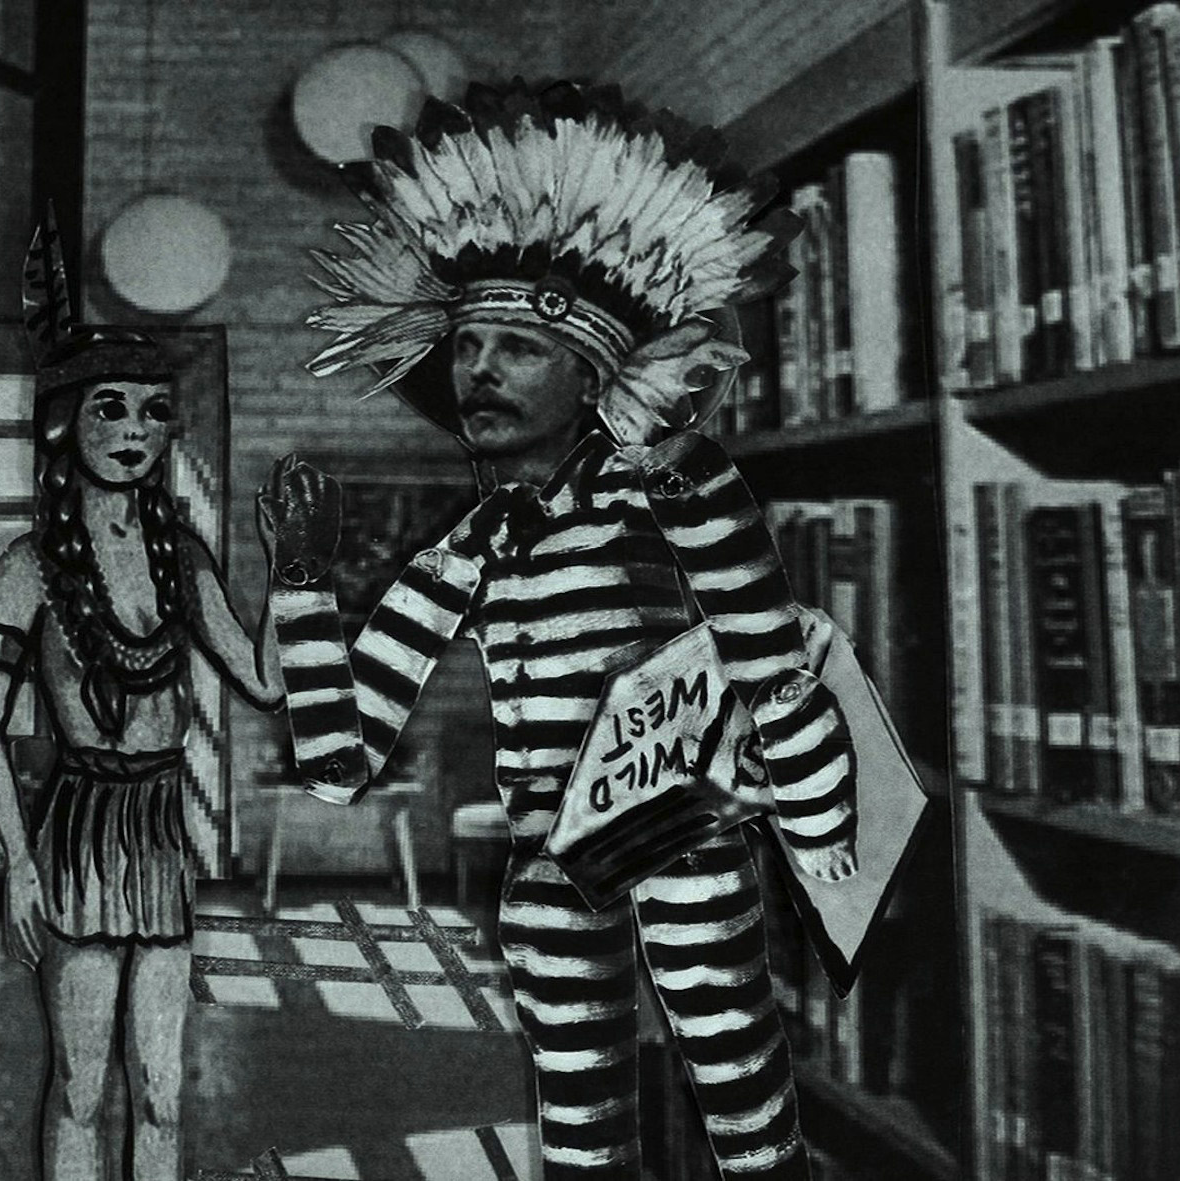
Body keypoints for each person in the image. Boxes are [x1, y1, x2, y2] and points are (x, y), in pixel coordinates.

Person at [263, 80, 861, 1179]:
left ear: (592, 376)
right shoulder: (467, 547)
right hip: (550, 866)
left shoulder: (677, 488)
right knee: (582, 1140)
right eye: (466, 345)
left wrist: (823, 836)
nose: (478, 370)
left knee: (747, 1117)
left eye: (516, 347)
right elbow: (338, 763)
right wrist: (301, 586)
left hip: (684, 840)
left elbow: (775, 672)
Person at [0, 215, 283, 1181]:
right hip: (77, 829)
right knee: (79, 1085)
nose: (137, 431)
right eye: (112, 408)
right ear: (67, 423)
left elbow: (262, 681)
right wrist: (20, 862)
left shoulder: (182, 558)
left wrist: (294, 573)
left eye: (154, 411)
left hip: (157, 829)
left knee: (160, 1086)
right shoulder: (26, 569)